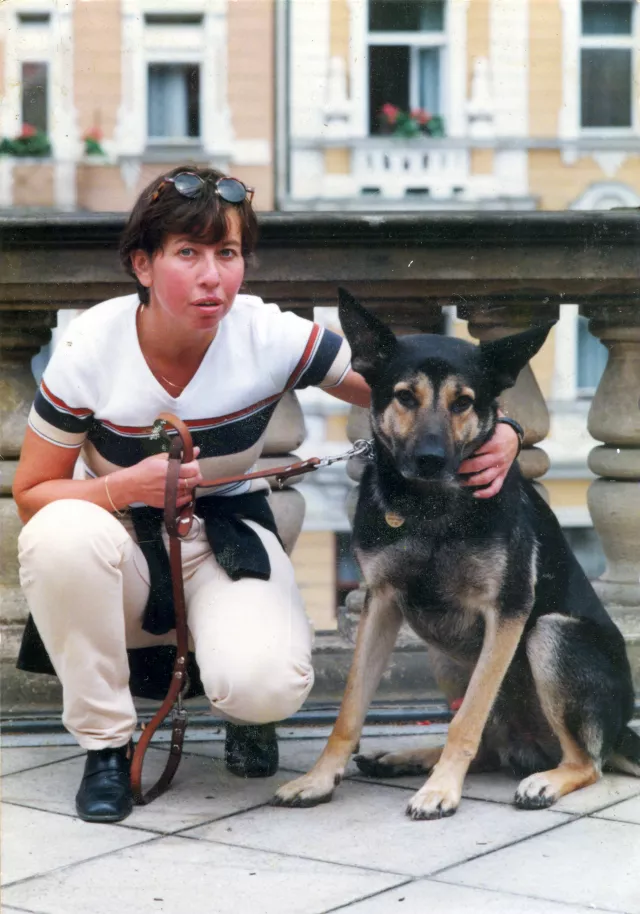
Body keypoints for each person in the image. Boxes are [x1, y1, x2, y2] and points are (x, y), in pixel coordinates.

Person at [13, 166, 521, 824]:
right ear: (142, 264)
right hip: (122, 546)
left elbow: (406, 382)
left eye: (227, 254)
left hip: (225, 539)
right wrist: (120, 486)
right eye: (187, 254)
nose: (211, 277)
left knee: (269, 685)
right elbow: (30, 493)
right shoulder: (89, 348)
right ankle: (107, 747)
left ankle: (245, 715)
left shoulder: (268, 333)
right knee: (56, 538)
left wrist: (500, 429)